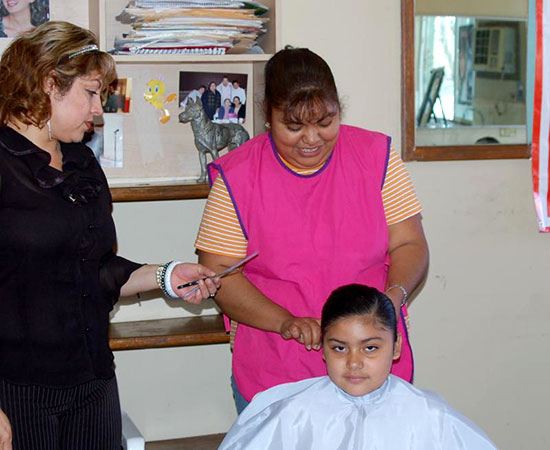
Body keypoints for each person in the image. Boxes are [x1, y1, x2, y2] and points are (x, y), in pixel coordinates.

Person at [0, 21, 220, 450]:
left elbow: (96, 270)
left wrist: (168, 275)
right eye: (90, 91)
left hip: (93, 380)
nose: (98, 109)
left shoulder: (82, 162)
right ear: (48, 84)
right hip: (16, 391)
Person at [196, 46, 429, 413]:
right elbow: (221, 276)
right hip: (277, 367)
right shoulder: (237, 177)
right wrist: (285, 322)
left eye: (325, 122)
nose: (311, 138)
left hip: (370, 365)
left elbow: (409, 243)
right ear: (267, 116)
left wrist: (392, 299)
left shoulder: (376, 157)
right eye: (293, 126)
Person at [219, 285, 498, 450]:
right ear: (323, 349)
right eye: (339, 348)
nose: (354, 362)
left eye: (370, 348)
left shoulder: (429, 417)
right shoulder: (292, 415)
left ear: (396, 347)